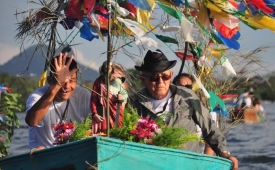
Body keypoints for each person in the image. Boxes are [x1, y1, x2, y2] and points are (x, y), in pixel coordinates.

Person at [129, 49, 238, 169]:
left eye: (164, 76)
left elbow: (210, 128)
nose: (160, 82)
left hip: (189, 165)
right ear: (143, 79)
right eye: (154, 78)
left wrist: (225, 154)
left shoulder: (187, 96)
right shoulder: (134, 103)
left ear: (171, 75)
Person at [25, 53, 91, 149]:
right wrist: (57, 85)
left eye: (71, 81)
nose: (67, 86)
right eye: (62, 81)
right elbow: (32, 121)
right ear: (50, 81)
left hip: (74, 153)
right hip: (45, 155)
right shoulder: (37, 96)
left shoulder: (83, 95)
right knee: (40, 149)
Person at [173, 73, 216, 156]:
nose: (186, 90)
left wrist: (203, 164)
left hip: (199, 158)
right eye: (182, 87)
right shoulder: (170, 110)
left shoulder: (206, 112)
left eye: (189, 87)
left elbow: (210, 143)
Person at [91, 61, 128, 134]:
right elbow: (93, 99)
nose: (108, 69)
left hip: (116, 111)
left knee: (117, 130)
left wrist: (122, 98)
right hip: (103, 112)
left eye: (110, 67)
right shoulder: (98, 82)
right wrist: (95, 113)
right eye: (106, 67)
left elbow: (124, 94)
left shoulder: (117, 82)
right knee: (104, 131)